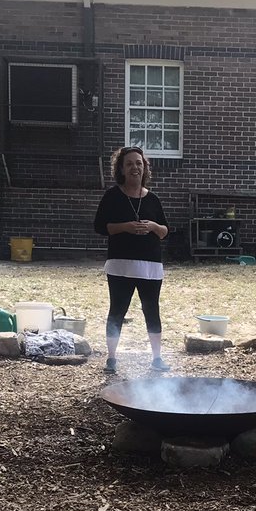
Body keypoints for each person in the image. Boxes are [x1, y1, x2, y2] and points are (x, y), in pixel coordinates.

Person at [93, 146, 170, 373]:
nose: (135, 167)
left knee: (151, 310)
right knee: (117, 310)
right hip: (121, 265)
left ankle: (156, 359)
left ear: (144, 167)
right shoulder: (112, 196)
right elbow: (100, 227)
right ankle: (112, 358)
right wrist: (126, 227)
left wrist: (153, 226)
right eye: (129, 164)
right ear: (121, 169)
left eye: (139, 163)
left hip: (150, 266)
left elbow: (165, 231)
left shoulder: (153, 199)